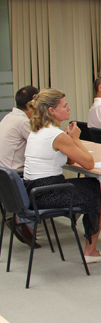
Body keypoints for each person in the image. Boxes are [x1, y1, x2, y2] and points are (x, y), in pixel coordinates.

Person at [24, 89, 101, 263]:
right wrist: (75, 139)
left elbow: (70, 160)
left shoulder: (38, 131)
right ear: (52, 110)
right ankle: (93, 250)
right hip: (48, 193)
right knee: (98, 190)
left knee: (96, 186)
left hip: (35, 190)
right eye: (65, 106)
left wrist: (71, 141)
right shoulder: (56, 135)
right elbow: (89, 163)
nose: (69, 109)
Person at [0, 86, 39, 248]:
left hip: (4, 176)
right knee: (47, 179)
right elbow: (41, 143)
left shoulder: (8, 117)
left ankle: (19, 219)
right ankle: (24, 222)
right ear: (33, 103)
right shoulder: (23, 121)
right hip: (16, 176)